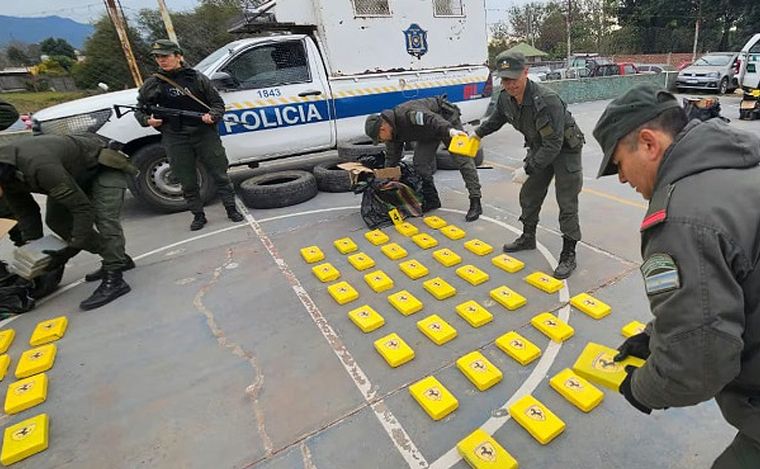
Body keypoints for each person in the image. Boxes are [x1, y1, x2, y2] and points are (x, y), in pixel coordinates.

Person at [594, 83, 760, 469]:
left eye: (618, 164)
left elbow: (698, 364)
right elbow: (731, 285)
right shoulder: (738, 162)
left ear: (649, 144)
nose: (621, 179)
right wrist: (655, 337)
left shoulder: (683, 218)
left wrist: (642, 388)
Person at [472, 51, 585, 279]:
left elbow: (553, 144)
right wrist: (476, 134)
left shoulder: (547, 100)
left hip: (565, 150)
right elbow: (496, 119)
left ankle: (568, 253)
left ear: (526, 72)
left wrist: (527, 168)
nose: (509, 84)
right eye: (505, 79)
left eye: (513, 78)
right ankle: (528, 236)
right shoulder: (505, 98)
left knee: (567, 201)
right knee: (530, 194)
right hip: (538, 147)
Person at [0, 133, 137, 310]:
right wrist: (33, 249)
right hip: (72, 175)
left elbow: (82, 209)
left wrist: (71, 250)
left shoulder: (39, 166)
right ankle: (118, 258)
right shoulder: (6, 176)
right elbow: (27, 212)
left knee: (105, 220)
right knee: (57, 220)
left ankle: (115, 278)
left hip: (101, 169)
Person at [135, 39, 244, 231]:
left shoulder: (197, 78)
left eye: (166, 56)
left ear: (178, 56)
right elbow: (140, 110)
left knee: (220, 173)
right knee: (186, 179)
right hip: (175, 136)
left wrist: (213, 116)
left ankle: (231, 209)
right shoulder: (153, 84)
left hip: (204, 134)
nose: (162, 60)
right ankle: (198, 215)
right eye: (158, 57)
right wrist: (147, 121)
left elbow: (217, 104)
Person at [364, 96, 483, 222]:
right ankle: (432, 200)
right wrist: (386, 179)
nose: (382, 141)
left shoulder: (407, 114)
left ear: (383, 128)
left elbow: (431, 119)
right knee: (420, 163)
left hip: (445, 121)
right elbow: (392, 157)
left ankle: (475, 201)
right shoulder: (391, 134)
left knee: (462, 160)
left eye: (380, 138)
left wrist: (451, 131)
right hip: (427, 132)